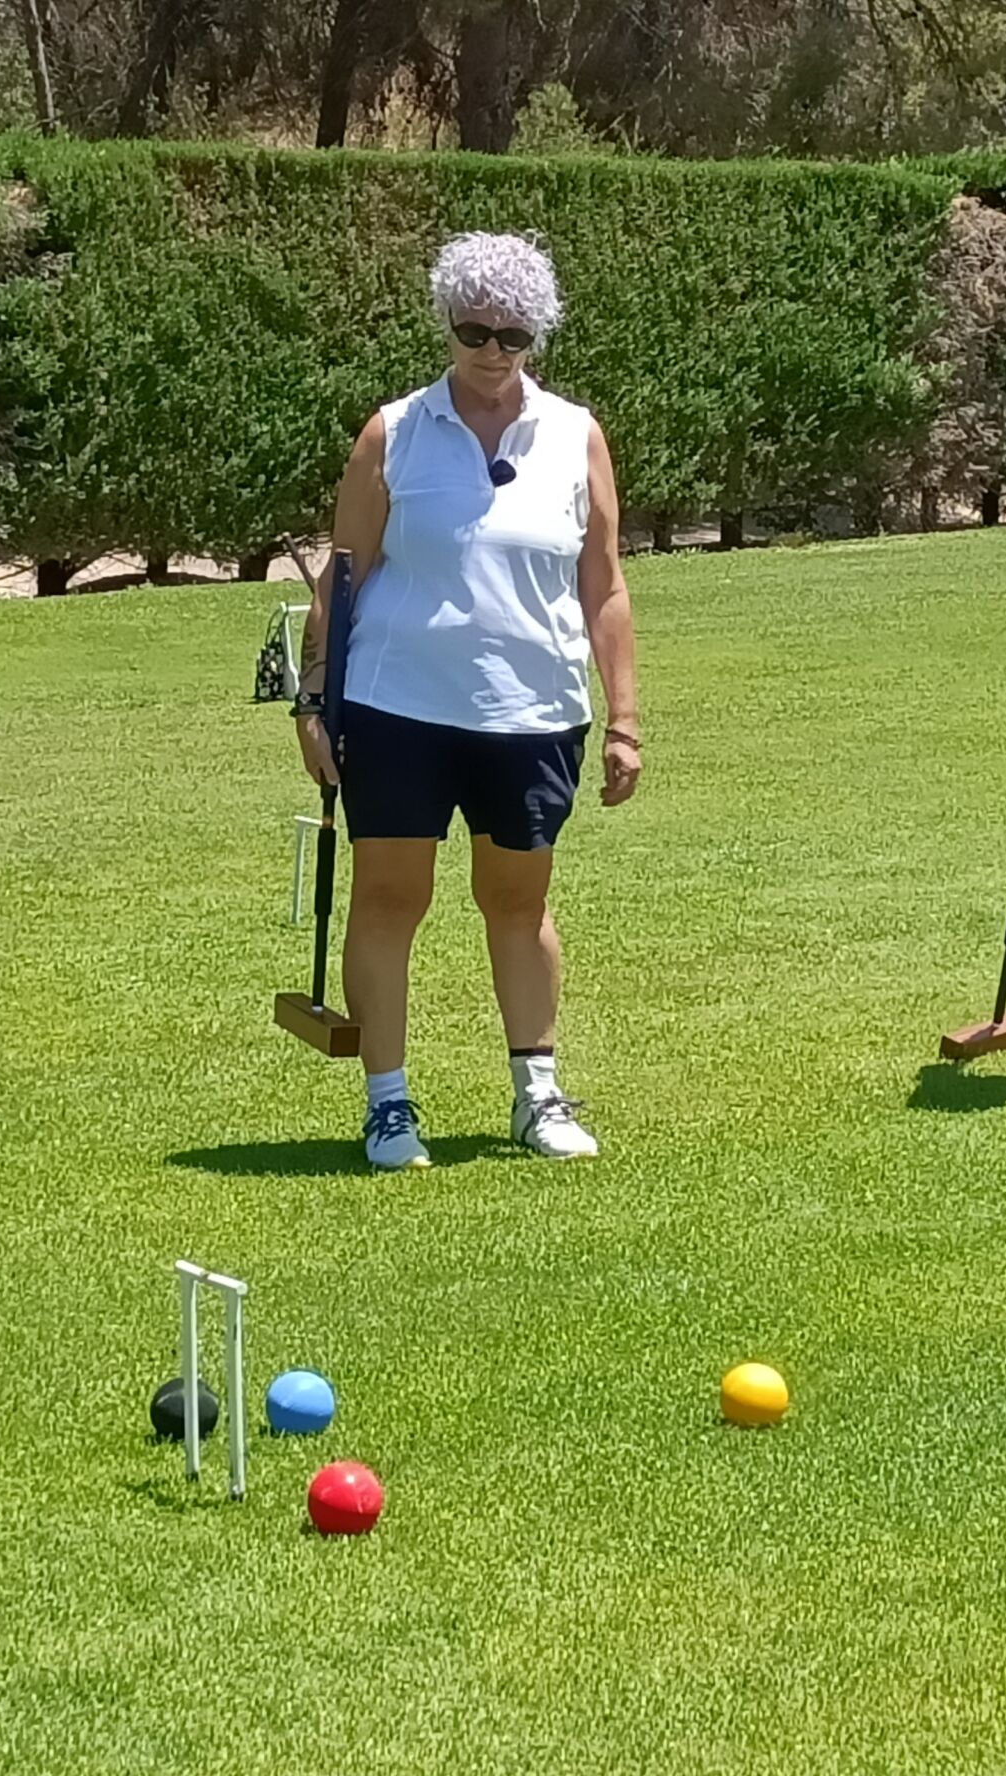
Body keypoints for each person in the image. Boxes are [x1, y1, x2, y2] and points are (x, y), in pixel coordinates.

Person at [294, 232, 642, 1171]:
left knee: (518, 902)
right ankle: (389, 1106)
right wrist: (313, 699)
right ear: (447, 323)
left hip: (531, 710)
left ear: (538, 334)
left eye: (513, 335)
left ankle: (536, 1093)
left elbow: (602, 584)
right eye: (474, 330)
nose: (493, 352)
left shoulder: (575, 434)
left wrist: (625, 719)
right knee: (391, 898)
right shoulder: (393, 431)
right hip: (397, 706)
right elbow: (346, 570)